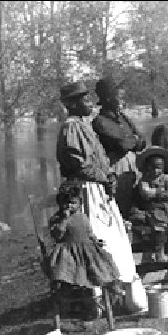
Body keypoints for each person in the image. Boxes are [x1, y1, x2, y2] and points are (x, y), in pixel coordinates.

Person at [56, 81, 137, 288]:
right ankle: (98, 290)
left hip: (96, 188)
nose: (90, 103)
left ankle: (115, 285)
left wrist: (107, 176)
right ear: (72, 105)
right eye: (85, 99)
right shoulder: (71, 128)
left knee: (111, 235)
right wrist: (105, 178)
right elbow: (79, 165)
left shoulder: (83, 125)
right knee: (97, 238)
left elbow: (97, 159)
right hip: (85, 190)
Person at [46, 181, 123, 293]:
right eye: (65, 203)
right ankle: (67, 286)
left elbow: (89, 232)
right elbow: (57, 236)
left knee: (104, 260)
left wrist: (95, 240)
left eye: (73, 203)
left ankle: (110, 282)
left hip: (87, 248)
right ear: (59, 203)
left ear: (79, 203)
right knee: (64, 266)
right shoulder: (57, 218)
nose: (69, 206)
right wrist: (64, 220)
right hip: (68, 250)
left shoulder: (82, 217)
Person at [91, 78, 147, 215]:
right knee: (120, 204)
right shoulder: (100, 121)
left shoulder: (124, 118)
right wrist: (134, 139)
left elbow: (143, 141)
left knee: (135, 199)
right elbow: (121, 145)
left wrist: (132, 141)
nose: (122, 100)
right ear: (108, 98)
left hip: (133, 166)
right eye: (119, 97)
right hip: (116, 167)